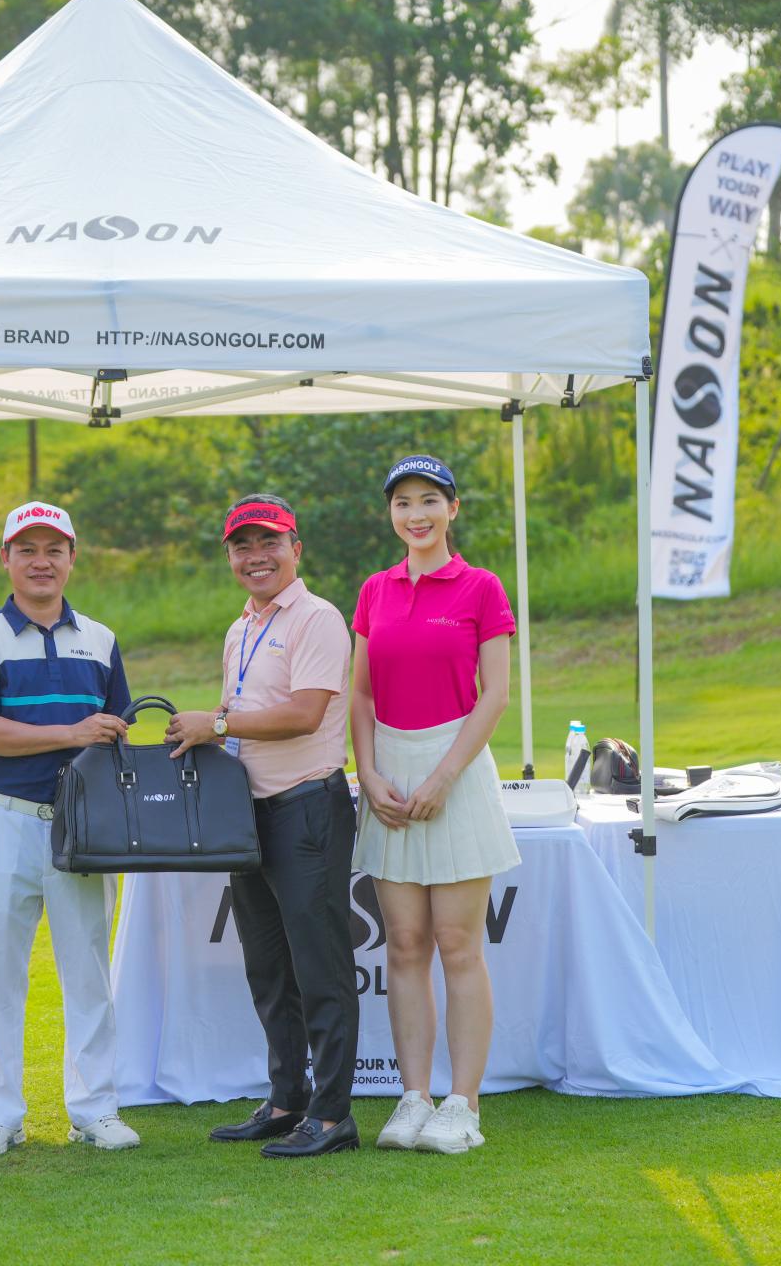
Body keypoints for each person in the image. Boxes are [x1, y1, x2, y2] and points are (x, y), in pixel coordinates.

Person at [167, 495, 360, 1158]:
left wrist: (216, 723)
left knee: (320, 968)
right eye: (242, 546)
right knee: (269, 968)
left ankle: (332, 1116)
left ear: (295, 549)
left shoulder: (317, 618)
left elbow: (305, 714)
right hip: (249, 815)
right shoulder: (241, 627)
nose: (256, 556)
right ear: (230, 557)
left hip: (306, 809)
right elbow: (240, 714)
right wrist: (205, 732)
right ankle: (287, 1100)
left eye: (268, 542)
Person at [0, 501, 140, 1157]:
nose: (41, 561)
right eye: (27, 549)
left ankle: (94, 1108)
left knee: (87, 970)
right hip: (3, 817)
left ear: (71, 558)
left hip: (83, 827)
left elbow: (115, 730)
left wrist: (98, 736)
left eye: (53, 549)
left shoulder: (101, 640)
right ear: (5, 558)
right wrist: (71, 732)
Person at [350, 454, 520, 1155]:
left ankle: (462, 1104)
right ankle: (414, 1096)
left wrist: (445, 777)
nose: (415, 515)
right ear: (391, 514)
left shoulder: (481, 587)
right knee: (405, 945)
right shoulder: (375, 590)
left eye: (428, 501)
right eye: (403, 503)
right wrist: (368, 773)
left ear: (453, 508)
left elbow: (495, 695)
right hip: (389, 777)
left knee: (457, 944)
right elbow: (361, 694)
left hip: (459, 772)